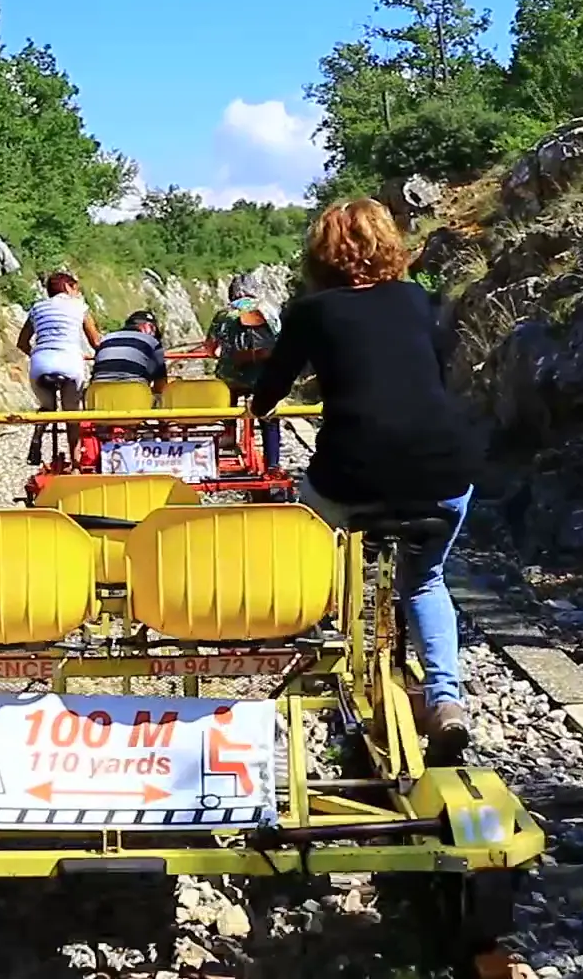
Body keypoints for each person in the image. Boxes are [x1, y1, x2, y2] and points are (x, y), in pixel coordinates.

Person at [248, 197, 484, 761]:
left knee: (306, 511)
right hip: (444, 470)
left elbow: (273, 386)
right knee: (424, 581)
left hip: (353, 473)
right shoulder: (417, 300)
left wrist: (256, 408)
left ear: (321, 256)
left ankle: (324, 619)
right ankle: (446, 699)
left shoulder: (311, 312)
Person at [17, 271, 102, 465]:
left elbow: (21, 342)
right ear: (67, 287)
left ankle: (37, 437)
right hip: (70, 362)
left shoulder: (38, 307)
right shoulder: (79, 307)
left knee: (48, 407)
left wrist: (37, 355)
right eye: (75, 288)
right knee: (71, 414)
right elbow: (96, 341)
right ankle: (76, 463)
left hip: (40, 364)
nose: (77, 293)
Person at [205, 275, 284, 469]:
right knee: (270, 415)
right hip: (263, 377)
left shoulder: (225, 313)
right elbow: (282, 341)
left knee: (227, 393)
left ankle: (229, 432)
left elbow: (210, 346)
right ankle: (272, 461)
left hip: (232, 376)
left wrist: (222, 355)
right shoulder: (269, 310)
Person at [89, 309, 168, 396]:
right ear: (151, 327)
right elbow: (161, 387)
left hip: (100, 397)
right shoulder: (152, 342)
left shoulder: (106, 339)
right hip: (133, 398)